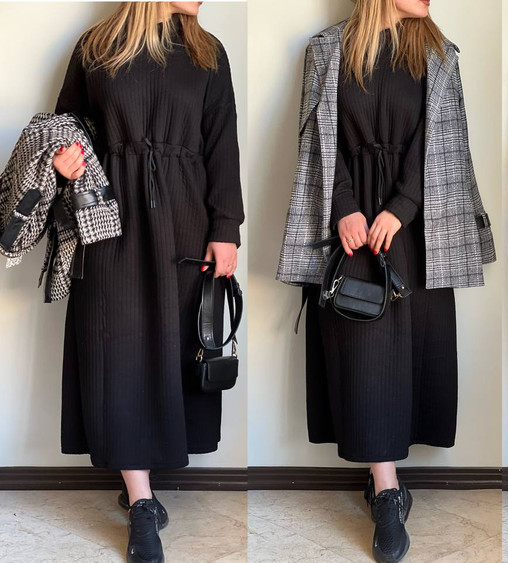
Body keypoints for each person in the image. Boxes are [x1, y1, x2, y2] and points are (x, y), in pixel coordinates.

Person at [277, 0, 495, 561]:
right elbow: (316, 142)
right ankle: (387, 491)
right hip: (349, 228)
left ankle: (387, 479)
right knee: (364, 357)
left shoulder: (439, 55)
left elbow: (445, 142)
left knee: (415, 354)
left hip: (419, 226)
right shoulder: (327, 50)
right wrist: (344, 208)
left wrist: (400, 208)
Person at [53, 2, 244, 561]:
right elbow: (66, 125)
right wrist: (64, 161)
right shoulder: (97, 47)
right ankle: (141, 501)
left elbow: (222, 144)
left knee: (178, 346)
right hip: (108, 220)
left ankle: (143, 483)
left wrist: (226, 228)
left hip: (186, 222)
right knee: (115, 350)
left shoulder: (209, 53)